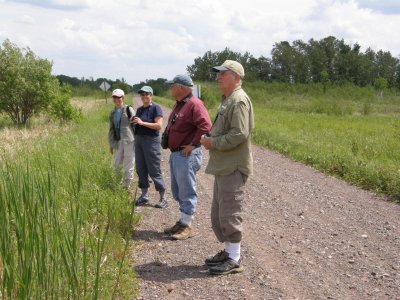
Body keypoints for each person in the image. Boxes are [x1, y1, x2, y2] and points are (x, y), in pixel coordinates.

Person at [200, 60, 254, 275]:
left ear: (236, 77)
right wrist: (209, 137)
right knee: (220, 212)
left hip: (233, 166)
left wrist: (212, 143)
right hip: (224, 165)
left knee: (230, 212)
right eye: (218, 74)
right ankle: (228, 251)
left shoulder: (239, 100)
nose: (218, 77)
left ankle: (234, 258)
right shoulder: (229, 99)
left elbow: (240, 134)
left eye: (223, 74)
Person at [163, 74, 212, 240]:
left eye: (173, 86)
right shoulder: (181, 104)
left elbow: (206, 126)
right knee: (178, 190)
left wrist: (193, 144)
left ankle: (188, 225)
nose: (170, 88)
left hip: (187, 154)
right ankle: (182, 221)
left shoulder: (194, 104)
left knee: (186, 190)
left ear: (181, 87)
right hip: (177, 154)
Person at [133, 86, 167, 208]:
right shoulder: (140, 110)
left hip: (151, 141)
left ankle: (163, 198)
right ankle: (144, 196)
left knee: (154, 169)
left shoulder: (156, 108)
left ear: (151, 95)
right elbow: (138, 124)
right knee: (141, 169)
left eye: (147, 94)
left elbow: (159, 125)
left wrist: (142, 123)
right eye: (142, 94)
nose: (144, 96)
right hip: (139, 140)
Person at [108, 88, 136, 189]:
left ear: (123, 98)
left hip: (129, 140)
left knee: (129, 162)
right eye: (114, 97)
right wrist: (111, 144)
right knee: (116, 163)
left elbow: (136, 125)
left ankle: (127, 185)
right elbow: (111, 129)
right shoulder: (112, 113)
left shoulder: (129, 109)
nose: (117, 99)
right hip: (117, 141)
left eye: (119, 97)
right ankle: (117, 183)